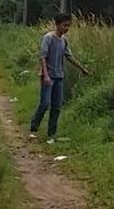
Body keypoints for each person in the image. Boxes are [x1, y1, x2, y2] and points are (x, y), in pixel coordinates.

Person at [30, 13, 90, 143]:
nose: (66, 28)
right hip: (48, 76)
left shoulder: (64, 40)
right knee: (45, 104)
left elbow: (69, 56)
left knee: (56, 107)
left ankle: (51, 133)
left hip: (59, 77)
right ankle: (33, 128)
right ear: (57, 24)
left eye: (68, 26)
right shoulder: (48, 38)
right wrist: (46, 75)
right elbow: (42, 56)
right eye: (64, 25)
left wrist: (82, 68)